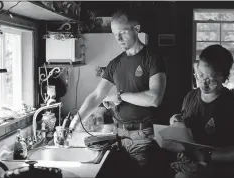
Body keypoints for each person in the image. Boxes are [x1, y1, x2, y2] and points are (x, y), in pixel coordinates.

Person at [68, 10, 169, 178]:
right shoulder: (115, 63)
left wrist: (119, 96)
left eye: (123, 32)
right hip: (118, 138)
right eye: (116, 35)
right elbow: (96, 96)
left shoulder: (153, 58)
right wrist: (74, 122)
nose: (119, 39)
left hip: (144, 138)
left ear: (136, 29)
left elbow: (154, 98)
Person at [169, 44, 234, 178]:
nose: (202, 83)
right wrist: (175, 121)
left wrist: (206, 155)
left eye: (210, 80)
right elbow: (184, 125)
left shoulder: (232, 105)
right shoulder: (191, 96)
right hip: (187, 168)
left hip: (216, 172)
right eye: (199, 75)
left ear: (224, 78)